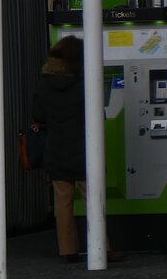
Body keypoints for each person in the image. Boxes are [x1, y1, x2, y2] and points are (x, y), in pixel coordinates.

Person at [31, 35, 122, 264]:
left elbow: (38, 116)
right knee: (93, 198)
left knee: (63, 203)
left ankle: (67, 251)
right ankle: (103, 247)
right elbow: (98, 115)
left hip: (56, 150)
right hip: (85, 150)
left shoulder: (43, 85)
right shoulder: (85, 85)